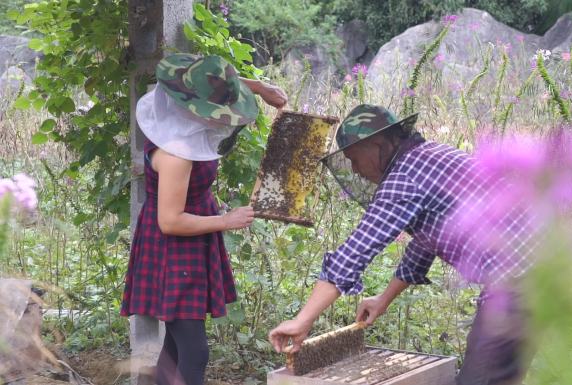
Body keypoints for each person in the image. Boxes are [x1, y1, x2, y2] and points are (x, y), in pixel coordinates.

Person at [269, 104, 539, 385]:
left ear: (375, 144)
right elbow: (429, 241)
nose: (354, 169)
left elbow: (354, 253)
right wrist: (384, 298)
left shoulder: (405, 176)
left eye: (353, 158)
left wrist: (302, 321)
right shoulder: (428, 157)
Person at [120, 53, 287, 385]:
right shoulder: (175, 155)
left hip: (188, 243)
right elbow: (170, 221)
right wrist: (226, 220)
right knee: (195, 352)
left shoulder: (177, 113)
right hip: (173, 248)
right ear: (194, 110)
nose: (222, 118)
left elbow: (205, 82)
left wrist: (258, 87)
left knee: (174, 346)